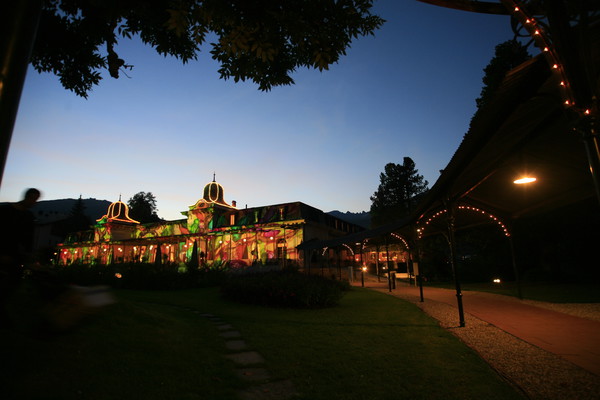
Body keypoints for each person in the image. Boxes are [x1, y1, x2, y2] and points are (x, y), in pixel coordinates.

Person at [0, 188, 41, 328]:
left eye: (36, 200)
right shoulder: (6, 211)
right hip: (4, 251)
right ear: (27, 197)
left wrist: (30, 255)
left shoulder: (28, 216)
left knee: (13, 280)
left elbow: (27, 238)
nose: (34, 202)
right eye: (33, 199)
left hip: (15, 253)